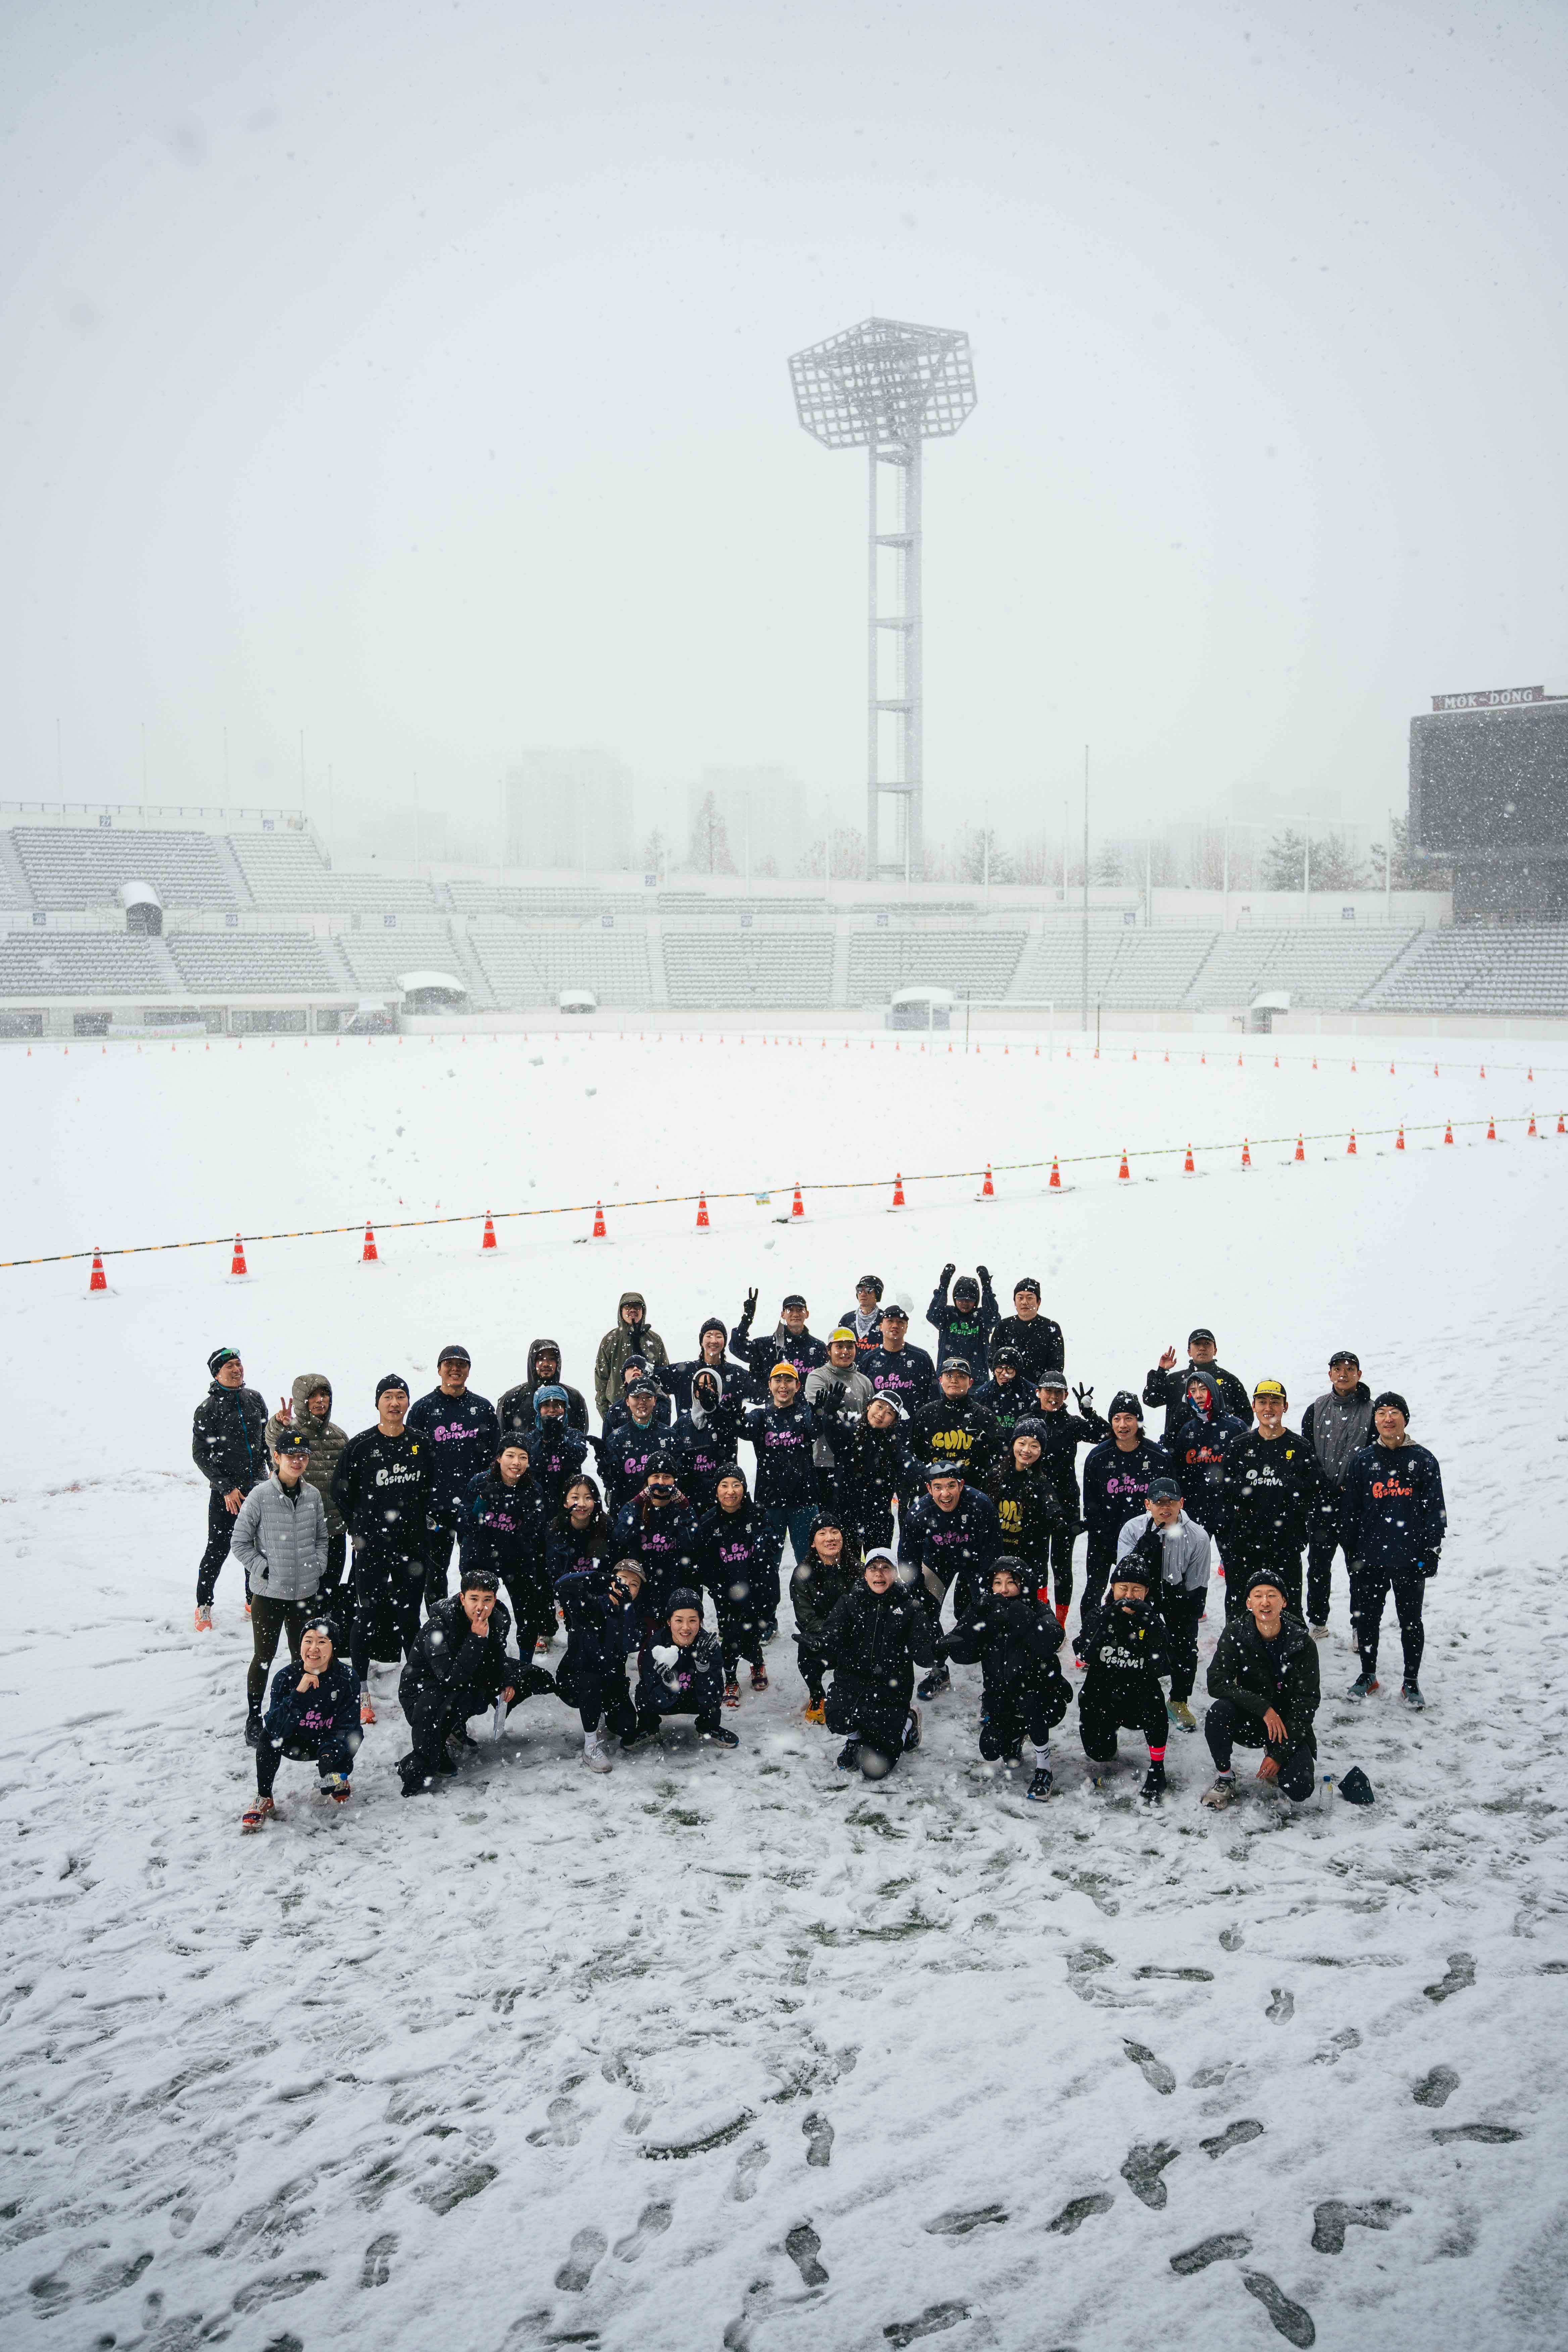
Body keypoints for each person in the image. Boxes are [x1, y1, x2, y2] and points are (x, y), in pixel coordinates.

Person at [397, 1567, 551, 1795]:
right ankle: (435, 1744)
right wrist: (476, 1638)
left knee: (530, 1676)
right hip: (423, 1693)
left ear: (495, 1600)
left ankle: (453, 1726)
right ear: (462, 1598)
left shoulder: (496, 1617)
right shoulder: (438, 1627)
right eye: (474, 1599)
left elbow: (497, 1655)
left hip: (462, 1679)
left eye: (487, 1600)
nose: (481, 1607)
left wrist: (507, 1681)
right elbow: (450, 1677)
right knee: (457, 1698)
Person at [331, 1376, 432, 1723]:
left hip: (411, 1545)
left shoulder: (421, 1443)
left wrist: (420, 1522)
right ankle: (362, 1691)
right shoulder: (361, 1446)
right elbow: (340, 1490)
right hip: (372, 1547)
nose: (394, 1403)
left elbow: (431, 1488)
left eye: (401, 1396)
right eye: (388, 1396)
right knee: (367, 1615)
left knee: (410, 1617)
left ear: (408, 1403)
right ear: (378, 1403)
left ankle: (416, 1685)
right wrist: (358, 1527)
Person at [1340, 1391, 1446, 1710]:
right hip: (1370, 1557)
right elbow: (1351, 1511)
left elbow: (1435, 1509)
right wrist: (1351, 1550)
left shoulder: (1423, 1460)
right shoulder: (1363, 1460)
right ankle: (1368, 1675)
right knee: (1368, 1620)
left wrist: (1432, 1549)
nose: (1388, 1418)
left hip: (1409, 1558)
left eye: (1394, 1412)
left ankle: (1411, 1681)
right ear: (1375, 1421)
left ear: (1405, 1419)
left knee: (1411, 1621)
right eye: (1382, 1413)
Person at [939, 1556, 1072, 1800]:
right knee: (990, 1749)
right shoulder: (987, 1612)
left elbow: (1052, 1639)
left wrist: (1016, 1613)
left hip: (1043, 1697)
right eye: (998, 1583)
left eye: (1011, 1582)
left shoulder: (1038, 1608)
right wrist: (973, 1616)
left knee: (1030, 1702)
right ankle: (1017, 1735)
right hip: (1003, 1699)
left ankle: (1044, 1768)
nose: (1004, 1589)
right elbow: (963, 1654)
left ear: (1024, 1584)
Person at [232, 1427, 329, 1743]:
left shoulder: (313, 1496)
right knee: (264, 1657)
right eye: (291, 1456)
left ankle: (297, 1712)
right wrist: (265, 1569)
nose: (297, 1461)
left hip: (305, 1593)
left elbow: (322, 1539)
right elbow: (239, 1542)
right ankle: (254, 1717)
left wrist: (317, 1566)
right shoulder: (260, 1496)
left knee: (304, 1657)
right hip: (269, 1594)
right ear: (277, 1457)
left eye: (303, 1456)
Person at [1201, 1569, 1321, 1807]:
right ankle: (1225, 1777)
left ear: (1284, 1602)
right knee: (1218, 1713)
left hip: (1286, 1724)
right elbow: (1216, 1681)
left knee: (1300, 1788)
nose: (1265, 1602)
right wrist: (1264, 1709)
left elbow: (1307, 1703)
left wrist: (1279, 1755)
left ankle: (1275, 1756)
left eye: (1272, 1595)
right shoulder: (1236, 1632)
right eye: (1258, 1596)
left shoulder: (1303, 1643)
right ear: (1249, 1603)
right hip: (1249, 1717)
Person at [1214, 1379, 1331, 1620]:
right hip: (1244, 1546)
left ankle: (1291, 1645)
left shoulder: (1300, 1447)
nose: (1269, 1408)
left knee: (1289, 1611)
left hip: (1285, 1547)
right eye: (1263, 1402)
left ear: (1285, 1407)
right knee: (1240, 1611)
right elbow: (1222, 1495)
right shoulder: (1239, 1446)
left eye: (1275, 1402)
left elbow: (1317, 1494)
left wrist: (1295, 1495)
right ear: (1254, 1407)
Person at [242, 1615, 361, 1830]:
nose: (313, 1648)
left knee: (355, 1735)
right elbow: (275, 1726)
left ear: (333, 1649)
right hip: (294, 1740)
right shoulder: (286, 1677)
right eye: (308, 1641)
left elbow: (348, 1724)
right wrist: (298, 1694)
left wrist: (329, 1756)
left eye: (322, 1642)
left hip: (326, 1741)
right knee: (268, 1736)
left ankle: (339, 1777)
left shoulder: (347, 1678)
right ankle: (264, 1796)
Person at [822, 1549, 934, 1777]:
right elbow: (831, 1636)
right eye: (873, 1568)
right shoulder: (848, 1603)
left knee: (874, 1771)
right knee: (836, 1716)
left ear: (895, 1574)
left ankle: (908, 1723)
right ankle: (855, 1740)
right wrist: (818, 1645)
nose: (879, 1574)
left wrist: (937, 1649)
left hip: (890, 1691)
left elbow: (923, 1654)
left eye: (886, 1568)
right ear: (865, 1574)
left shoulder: (911, 1607)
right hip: (851, 1685)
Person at [407, 1346, 500, 1613]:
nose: (455, 1369)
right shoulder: (423, 1409)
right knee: (435, 1571)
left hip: (474, 1505)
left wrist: (487, 1496)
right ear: (439, 1370)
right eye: (449, 1364)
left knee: (476, 1571)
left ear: (469, 1371)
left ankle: (476, 1620)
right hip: (436, 1507)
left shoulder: (482, 1408)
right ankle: (439, 1622)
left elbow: (495, 1458)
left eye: (462, 1364)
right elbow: (413, 1459)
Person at [1114, 1477, 1211, 1731]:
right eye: (1159, 1502)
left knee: (1186, 1648)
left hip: (1178, 1593)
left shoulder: (1198, 1536)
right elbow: (1123, 1577)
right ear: (1148, 1504)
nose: (1165, 1507)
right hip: (1140, 1593)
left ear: (1182, 1503)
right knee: (1131, 1644)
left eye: (1171, 1502)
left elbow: (1198, 1582)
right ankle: (1131, 1694)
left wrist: (1189, 1613)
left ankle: (1178, 1700)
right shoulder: (1133, 1529)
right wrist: (1144, 1548)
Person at [900, 1462, 1002, 1695]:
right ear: (929, 1489)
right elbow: (908, 1557)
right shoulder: (919, 1512)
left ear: (961, 1485)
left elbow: (993, 1553)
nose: (945, 1494)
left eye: (951, 1486)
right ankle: (939, 1670)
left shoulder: (981, 1505)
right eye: (938, 1487)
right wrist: (915, 1589)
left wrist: (987, 1590)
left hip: (976, 1561)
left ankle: (994, 1683)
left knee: (990, 1613)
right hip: (938, 1562)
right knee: (924, 1611)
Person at [740, 1362, 826, 1635]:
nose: (783, 1386)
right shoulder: (761, 1415)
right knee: (766, 1565)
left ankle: (813, 1620)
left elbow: (815, 1429)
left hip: (803, 1500)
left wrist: (822, 1413)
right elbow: (745, 1429)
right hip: (769, 1503)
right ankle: (766, 1621)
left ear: (797, 1386)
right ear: (770, 1385)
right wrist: (732, 1416)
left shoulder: (805, 1412)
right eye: (778, 1380)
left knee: (810, 1563)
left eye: (789, 1381)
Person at [1076, 1560, 1171, 1801]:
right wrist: (1108, 1621)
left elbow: (1162, 1667)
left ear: (1146, 1592)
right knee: (1099, 1754)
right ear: (1113, 1588)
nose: (1129, 1596)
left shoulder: (1152, 1620)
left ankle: (1158, 1768)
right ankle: (1109, 1740)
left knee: (1155, 1702)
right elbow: (1084, 1655)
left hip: (1139, 1699)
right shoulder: (1099, 1615)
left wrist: (1151, 1624)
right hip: (1102, 1697)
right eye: (1123, 1588)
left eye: (1137, 1589)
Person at [1080, 1393, 1173, 1626]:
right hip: (1104, 1538)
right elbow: (1091, 1506)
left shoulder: (1158, 1457)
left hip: (1148, 1539)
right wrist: (1103, 1536)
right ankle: (1091, 1637)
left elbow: (1168, 1504)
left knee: (1149, 1594)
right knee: (1094, 1592)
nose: (1123, 1425)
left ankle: (1145, 1639)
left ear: (1139, 1421)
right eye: (1117, 1419)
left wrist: (1151, 1537)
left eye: (1129, 1418)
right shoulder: (1098, 1457)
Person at [192, 1346, 268, 1628]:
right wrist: (226, 1488)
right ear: (217, 1374)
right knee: (218, 1550)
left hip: (257, 1489)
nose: (237, 1370)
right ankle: (204, 1606)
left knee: (256, 1548)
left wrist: (273, 1473)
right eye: (229, 1367)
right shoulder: (208, 1409)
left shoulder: (255, 1399)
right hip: (226, 1495)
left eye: (238, 1364)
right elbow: (201, 1454)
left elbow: (264, 1443)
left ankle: (253, 1600)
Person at [1300, 1350, 1375, 1632]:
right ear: (1330, 1374)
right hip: (1321, 1504)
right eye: (1338, 1369)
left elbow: (1375, 1456)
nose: (1344, 1374)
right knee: (1318, 1566)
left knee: (1359, 1568)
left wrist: (1351, 1487)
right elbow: (1307, 1454)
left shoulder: (1372, 1410)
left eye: (1350, 1369)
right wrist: (1323, 1486)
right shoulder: (1316, 1409)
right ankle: (1318, 1622)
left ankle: (1360, 1626)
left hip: (1357, 1505)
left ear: (1359, 1374)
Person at [266, 1375, 350, 1623]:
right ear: (303, 1401)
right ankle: (303, 1637)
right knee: (303, 1594)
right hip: (301, 1531)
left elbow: (351, 1483)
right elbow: (271, 1440)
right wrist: (278, 1424)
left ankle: (323, 1635)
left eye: (324, 1395)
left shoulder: (339, 1436)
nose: (320, 1400)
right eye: (313, 1396)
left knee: (329, 1589)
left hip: (334, 1530)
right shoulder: (291, 1434)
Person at [553, 1557, 652, 1769]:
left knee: (626, 1727)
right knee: (591, 1681)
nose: (627, 1586)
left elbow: (629, 1644)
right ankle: (590, 1745)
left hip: (611, 1683)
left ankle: (600, 1711)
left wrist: (626, 1610)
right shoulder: (589, 1602)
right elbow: (561, 1585)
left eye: (634, 1584)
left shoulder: (634, 1613)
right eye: (622, 1579)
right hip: (577, 1680)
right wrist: (599, 1578)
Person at [461, 1438, 552, 1658]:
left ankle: (525, 1664)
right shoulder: (480, 1482)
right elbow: (465, 1524)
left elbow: (536, 1532)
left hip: (517, 1558)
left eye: (523, 1457)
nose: (516, 1462)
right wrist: (483, 1500)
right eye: (510, 1455)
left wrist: (527, 1511)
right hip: (481, 1556)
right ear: (499, 1458)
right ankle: (477, 1658)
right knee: (478, 1611)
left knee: (528, 1616)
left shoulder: (533, 1489)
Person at [1031, 1370, 1108, 1623]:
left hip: (1066, 1503)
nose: (1053, 1397)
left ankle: (1061, 1622)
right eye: (1048, 1391)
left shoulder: (1072, 1424)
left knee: (1062, 1565)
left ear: (1066, 1396)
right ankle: (1043, 1615)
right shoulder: (1028, 1421)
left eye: (1059, 1393)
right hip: (1034, 1501)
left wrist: (1089, 1412)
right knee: (1037, 1562)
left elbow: (1107, 1435)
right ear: (1038, 1392)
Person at [691, 1463, 769, 1703]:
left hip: (754, 1588)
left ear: (744, 1489)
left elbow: (770, 1547)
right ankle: (731, 1679)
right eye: (724, 1485)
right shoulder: (709, 1521)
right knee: (731, 1635)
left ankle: (757, 1662)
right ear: (716, 1491)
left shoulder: (756, 1515)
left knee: (753, 1631)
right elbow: (702, 1560)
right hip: (725, 1592)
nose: (730, 1491)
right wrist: (717, 1587)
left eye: (736, 1485)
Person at [634, 1587, 738, 1748]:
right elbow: (652, 1690)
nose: (686, 1627)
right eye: (679, 1620)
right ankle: (649, 1727)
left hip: (696, 1699)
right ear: (669, 1621)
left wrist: (703, 1668)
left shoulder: (708, 1646)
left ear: (700, 1621)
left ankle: (708, 1727)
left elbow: (715, 1692)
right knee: (642, 1691)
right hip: (666, 1699)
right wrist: (669, 1685)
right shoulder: (657, 1645)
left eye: (693, 1620)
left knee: (714, 1691)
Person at [986, 1422, 1068, 1615]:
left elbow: (1051, 1504)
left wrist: (1059, 1521)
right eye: (1022, 1443)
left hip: (1031, 1559)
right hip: (998, 1553)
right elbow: (982, 1505)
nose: (1026, 1450)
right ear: (1013, 1444)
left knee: (1031, 1612)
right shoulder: (996, 1474)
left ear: (1041, 1451)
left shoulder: (1041, 1481)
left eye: (1034, 1445)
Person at [790, 1513, 861, 1723]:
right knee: (806, 1650)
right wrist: (830, 1635)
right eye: (822, 1534)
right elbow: (806, 1617)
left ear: (842, 1538)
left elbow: (863, 1611)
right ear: (813, 1543)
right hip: (821, 1637)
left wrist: (847, 1635)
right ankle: (817, 1695)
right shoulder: (802, 1574)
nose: (830, 1538)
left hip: (853, 1636)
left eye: (835, 1532)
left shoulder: (859, 1570)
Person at [1165, 1368, 1247, 1550]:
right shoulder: (1186, 1430)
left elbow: (1246, 1471)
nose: (1198, 1395)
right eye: (1193, 1391)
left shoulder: (1236, 1427)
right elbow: (1176, 1469)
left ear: (1214, 1391)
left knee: (1237, 1566)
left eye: (1203, 1389)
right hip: (1196, 1513)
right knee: (1191, 1565)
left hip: (1230, 1514)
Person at [829, 1390, 914, 1553]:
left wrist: (930, 1475)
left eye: (889, 1413)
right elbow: (833, 1434)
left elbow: (909, 1463)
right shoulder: (849, 1433)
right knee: (847, 1565)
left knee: (879, 1564)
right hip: (847, 1515)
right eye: (879, 1407)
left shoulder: (894, 1445)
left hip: (879, 1519)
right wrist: (830, 1415)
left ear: (895, 1421)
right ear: (869, 1406)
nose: (881, 1414)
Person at [612, 1454, 699, 1611]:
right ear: (647, 1480)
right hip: (641, 1584)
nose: (661, 1482)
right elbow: (620, 1537)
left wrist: (685, 1506)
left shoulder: (683, 1509)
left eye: (667, 1477)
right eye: (656, 1477)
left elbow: (690, 1545)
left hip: (674, 1582)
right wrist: (638, 1503)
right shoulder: (633, 1507)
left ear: (674, 1481)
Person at [1142, 1327, 1253, 1445]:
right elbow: (1151, 1400)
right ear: (1189, 1352)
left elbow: (1246, 1415)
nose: (1202, 1348)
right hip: (1180, 1448)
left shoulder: (1229, 1380)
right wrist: (1161, 1372)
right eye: (1197, 1344)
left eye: (1207, 1344)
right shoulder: (1175, 1380)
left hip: (1219, 1448)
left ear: (1215, 1350)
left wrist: (1232, 1442)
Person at [908, 1357, 1003, 1483]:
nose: (954, 1380)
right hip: (934, 1487)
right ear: (941, 1381)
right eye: (949, 1376)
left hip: (974, 1487)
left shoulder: (984, 1415)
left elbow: (1003, 1455)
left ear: (971, 1383)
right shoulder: (926, 1413)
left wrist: (983, 1437)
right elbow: (913, 1455)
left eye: (961, 1376)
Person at [804, 1329, 873, 1505]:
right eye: (840, 1347)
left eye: (850, 1347)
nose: (845, 1352)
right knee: (827, 1516)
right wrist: (849, 1419)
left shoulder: (865, 1382)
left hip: (856, 1460)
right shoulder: (818, 1376)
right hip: (825, 1460)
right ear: (829, 1350)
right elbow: (821, 1411)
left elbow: (871, 1419)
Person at [668, 1366, 744, 1508]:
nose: (705, 1390)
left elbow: (730, 1456)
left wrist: (714, 1410)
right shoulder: (682, 1424)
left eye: (711, 1386)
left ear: (718, 1390)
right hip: (688, 1500)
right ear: (694, 1390)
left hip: (719, 1500)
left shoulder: (725, 1418)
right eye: (701, 1386)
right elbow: (673, 1460)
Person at [731, 1290, 828, 1398]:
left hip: (811, 1407)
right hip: (777, 1407)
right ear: (783, 1315)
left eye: (800, 1310)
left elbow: (831, 1375)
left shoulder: (819, 1348)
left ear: (807, 1314)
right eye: (790, 1310)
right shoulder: (768, 1345)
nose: (796, 1314)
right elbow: (738, 1348)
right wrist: (746, 1320)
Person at [594, 1378, 668, 1513]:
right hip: (625, 1511)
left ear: (655, 1401)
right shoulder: (617, 1438)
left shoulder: (669, 1435)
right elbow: (610, 1481)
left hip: (661, 1512)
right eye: (637, 1397)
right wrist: (604, 1460)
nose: (642, 1402)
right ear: (627, 1401)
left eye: (648, 1397)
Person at [594, 1292, 669, 1420]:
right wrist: (606, 1414)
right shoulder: (610, 1340)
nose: (632, 1310)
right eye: (628, 1307)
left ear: (643, 1311)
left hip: (650, 1413)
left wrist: (661, 1411)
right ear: (621, 1311)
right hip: (617, 1411)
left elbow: (665, 1379)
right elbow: (601, 1379)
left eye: (637, 1307)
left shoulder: (655, 1340)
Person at [524, 1386, 596, 1515]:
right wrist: (544, 1442)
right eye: (546, 1405)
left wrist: (561, 1440)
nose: (552, 1410)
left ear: (565, 1409)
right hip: (538, 1503)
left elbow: (578, 1458)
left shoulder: (574, 1434)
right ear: (539, 1410)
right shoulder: (530, 1438)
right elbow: (530, 1464)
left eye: (558, 1405)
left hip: (569, 1501)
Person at [498, 1339, 590, 1436]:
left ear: (558, 1363)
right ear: (533, 1362)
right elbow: (503, 1438)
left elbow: (581, 1437)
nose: (546, 1364)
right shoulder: (513, 1398)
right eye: (541, 1359)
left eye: (551, 1359)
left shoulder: (574, 1397)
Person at [657, 1317, 748, 1413]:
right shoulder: (684, 1372)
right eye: (709, 1336)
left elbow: (758, 1392)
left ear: (724, 1342)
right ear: (701, 1342)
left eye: (719, 1336)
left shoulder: (736, 1374)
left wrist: (758, 1368)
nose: (714, 1341)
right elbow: (651, 1377)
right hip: (688, 1423)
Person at [926, 1263, 1000, 1377]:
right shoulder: (947, 1315)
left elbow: (993, 1319)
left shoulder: (982, 1317)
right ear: (955, 1299)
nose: (965, 1303)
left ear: (976, 1301)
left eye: (970, 1300)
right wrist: (944, 1286)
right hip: (948, 1377)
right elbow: (933, 1316)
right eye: (961, 1299)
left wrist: (987, 1288)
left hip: (977, 1380)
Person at [986, 1278, 1064, 1385]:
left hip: (1040, 1389)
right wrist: (1006, 1380)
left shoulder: (1052, 1328)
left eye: (1030, 1298)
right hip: (1007, 1387)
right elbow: (993, 1359)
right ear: (1015, 1301)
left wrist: (1044, 1388)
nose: (1024, 1302)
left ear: (1039, 1302)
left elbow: (1057, 1365)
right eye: (1020, 1298)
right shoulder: (1003, 1326)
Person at [863, 1301, 937, 1412]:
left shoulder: (922, 1358)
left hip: (913, 1421)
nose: (895, 1326)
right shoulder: (869, 1359)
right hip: (877, 1421)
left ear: (906, 1328)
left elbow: (934, 1398)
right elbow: (862, 1397)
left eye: (900, 1322)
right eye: (890, 1321)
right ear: (881, 1327)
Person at [545, 1476, 615, 1587]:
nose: (582, 1504)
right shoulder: (555, 1530)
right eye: (575, 1498)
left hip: (602, 1593)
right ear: (565, 1502)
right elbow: (553, 1575)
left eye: (588, 1498)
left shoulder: (608, 1526)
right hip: (568, 1593)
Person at [974, 1343, 1031, 1439]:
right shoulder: (983, 1394)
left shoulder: (1032, 1394)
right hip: (993, 1445)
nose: (1004, 1373)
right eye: (1000, 1368)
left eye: (1010, 1368)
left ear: (1018, 1370)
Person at [837, 1273, 886, 1364]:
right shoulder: (847, 1319)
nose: (863, 1294)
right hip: (850, 1370)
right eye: (860, 1290)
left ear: (877, 1294)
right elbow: (838, 1347)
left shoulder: (886, 1319)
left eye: (869, 1290)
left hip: (876, 1369)